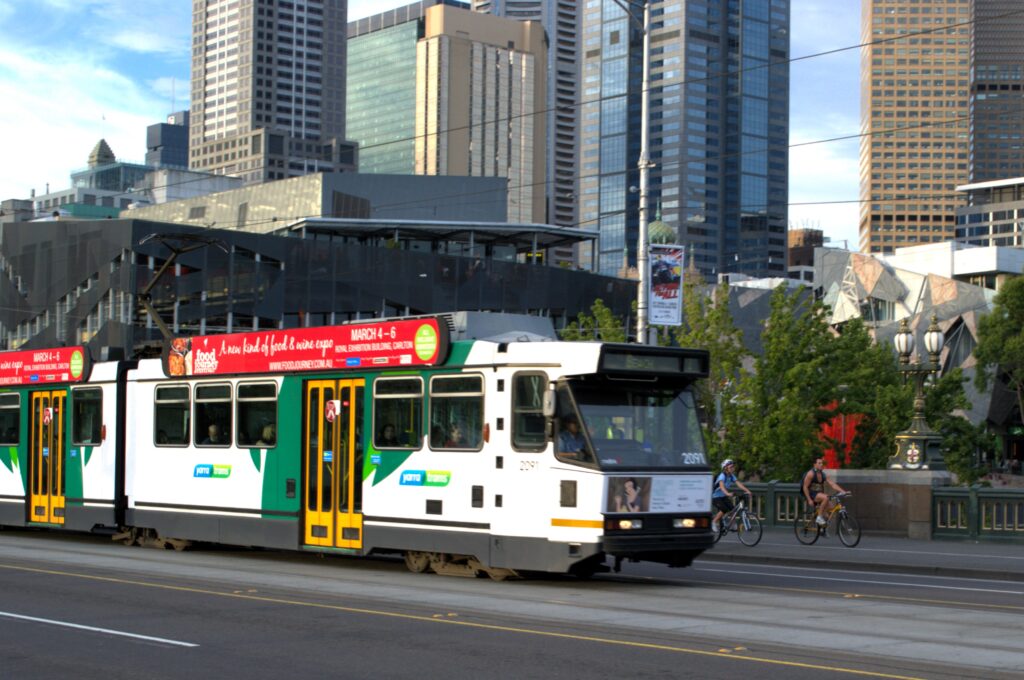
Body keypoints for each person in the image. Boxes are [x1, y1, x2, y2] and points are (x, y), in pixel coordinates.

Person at [802, 456, 847, 527]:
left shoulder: (823, 474)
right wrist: (809, 500)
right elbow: (805, 487)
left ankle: (823, 530)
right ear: (815, 465)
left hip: (819, 494)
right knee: (826, 497)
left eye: (822, 463)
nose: (821, 464)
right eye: (819, 463)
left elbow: (832, 484)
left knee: (831, 508)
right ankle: (819, 517)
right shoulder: (810, 474)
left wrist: (843, 491)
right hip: (811, 494)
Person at [712, 459, 751, 534]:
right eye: (731, 467)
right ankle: (713, 522)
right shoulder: (722, 476)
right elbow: (722, 487)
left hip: (723, 496)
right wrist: (728, 493)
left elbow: (738, 484)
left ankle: (733, 525)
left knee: (732, 509)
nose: (733, 468)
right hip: (715, 497)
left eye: (733, 467)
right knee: (724, 509)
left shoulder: (731, 476)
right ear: (725, 468)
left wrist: (747, 490)